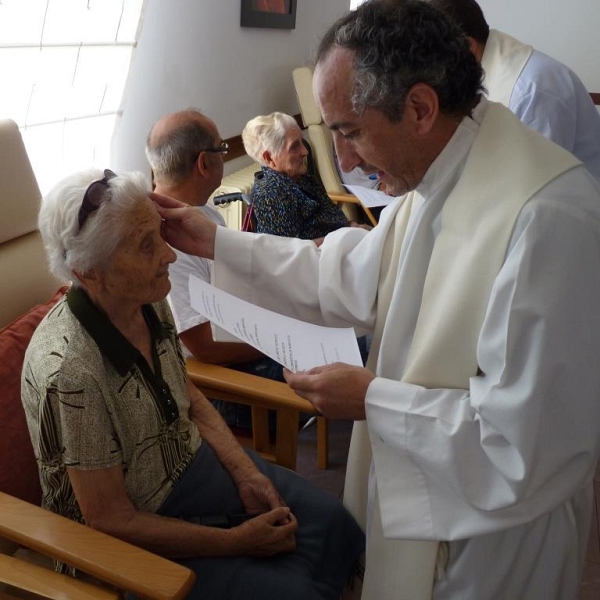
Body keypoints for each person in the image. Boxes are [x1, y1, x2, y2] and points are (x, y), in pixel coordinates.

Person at [152, 1, 600, 599]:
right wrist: (218, 244)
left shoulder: (547, 218)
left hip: (491, 541)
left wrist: (372, 400)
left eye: (349, 131)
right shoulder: (441, 171)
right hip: (426, 491)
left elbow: (524, 446)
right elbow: (348, 271)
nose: (344, 161)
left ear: (419, 108)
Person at [20, 168, 365, 600]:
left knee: (335, 525)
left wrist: (246, 473)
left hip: (195, 467)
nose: (168, 255)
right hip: (131, 534)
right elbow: (110, 520)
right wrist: (235, 542)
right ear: (90, 272)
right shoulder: (69, 371)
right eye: (146, 245)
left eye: (159, 233)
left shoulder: (147, 299)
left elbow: (190, 397)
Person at [146, 110, 284, 429]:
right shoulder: (168, 241)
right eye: (223, 149)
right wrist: (279, 337)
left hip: (245, 342)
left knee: (346, 338)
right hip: (220, 388)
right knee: (356, 353)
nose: (226, 155)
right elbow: (205, 347)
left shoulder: (205, 211)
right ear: (204, 163)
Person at [425, 0, 600, 183]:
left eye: (431, 56)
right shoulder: (479, 76)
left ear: (468, 47)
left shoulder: (531, 90)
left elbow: (535, 184)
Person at [242, 111, 369, 245]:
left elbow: (333, 216)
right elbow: (287, 253)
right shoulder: (271, 195)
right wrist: (346, 236)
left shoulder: (302, 178)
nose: (305, 151)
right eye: (294, 147)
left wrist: (351, 226)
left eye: (302, 143)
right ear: (269, 158)